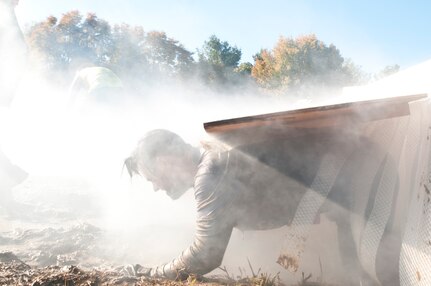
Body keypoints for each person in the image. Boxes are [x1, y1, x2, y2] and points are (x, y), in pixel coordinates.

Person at [124, 129, 402, 284]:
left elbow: (205, 255)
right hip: (358, 184)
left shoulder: (211, 173)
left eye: (151, 178)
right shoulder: (215, 158)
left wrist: (153, 273)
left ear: (162, 160)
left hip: (367, 177)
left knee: (383, 272)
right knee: (358, 276)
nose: (156, 187)